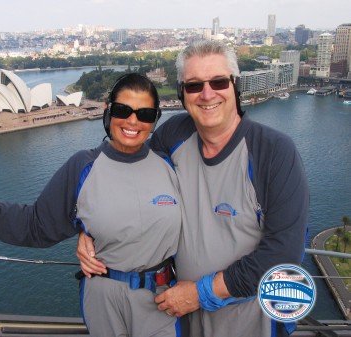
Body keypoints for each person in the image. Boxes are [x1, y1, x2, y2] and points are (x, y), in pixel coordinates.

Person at [77, 41, 310, 337]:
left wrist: (200, 293)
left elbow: (283, 256)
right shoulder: (174, 134)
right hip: (179, 314)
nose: (207, 94)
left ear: (234, 86)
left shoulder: (274, 152)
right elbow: (122, 175)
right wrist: (86, 227)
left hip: (249, 318)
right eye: (194, 85)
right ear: (181, 93)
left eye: (218, 81)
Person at [0, 73, 183, 337]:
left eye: (145, 114)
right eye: (123, 110)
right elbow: (37, 224)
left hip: (163, 298)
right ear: (108, 110)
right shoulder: (83, 166)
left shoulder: (169, 164)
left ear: (155, 119)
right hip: (105, 296)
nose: (133, 121)